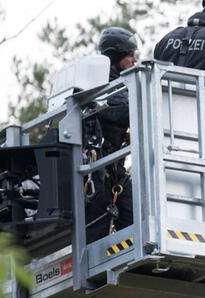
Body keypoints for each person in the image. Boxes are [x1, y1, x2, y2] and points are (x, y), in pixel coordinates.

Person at [87, 26, 139, 241]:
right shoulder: (109, 85)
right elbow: (126, 114)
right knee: (100, 231)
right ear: (117, 57)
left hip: (112, 172)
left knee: (133, 219)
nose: (134, 60)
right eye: (130, 56)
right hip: (100, 175)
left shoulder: (113, 83)